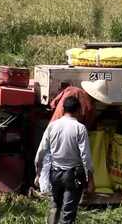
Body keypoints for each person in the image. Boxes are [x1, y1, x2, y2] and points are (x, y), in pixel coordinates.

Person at [35, 96, 95, 224]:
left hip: (55, 173)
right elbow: (86, 156)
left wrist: (38, 173)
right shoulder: (80, 128)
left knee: (55, 206)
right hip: (73, 176)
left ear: (63, 109)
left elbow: (41, 151)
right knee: (68, 212)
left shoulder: (52, 126)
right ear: (79, 109)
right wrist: (90, 180)